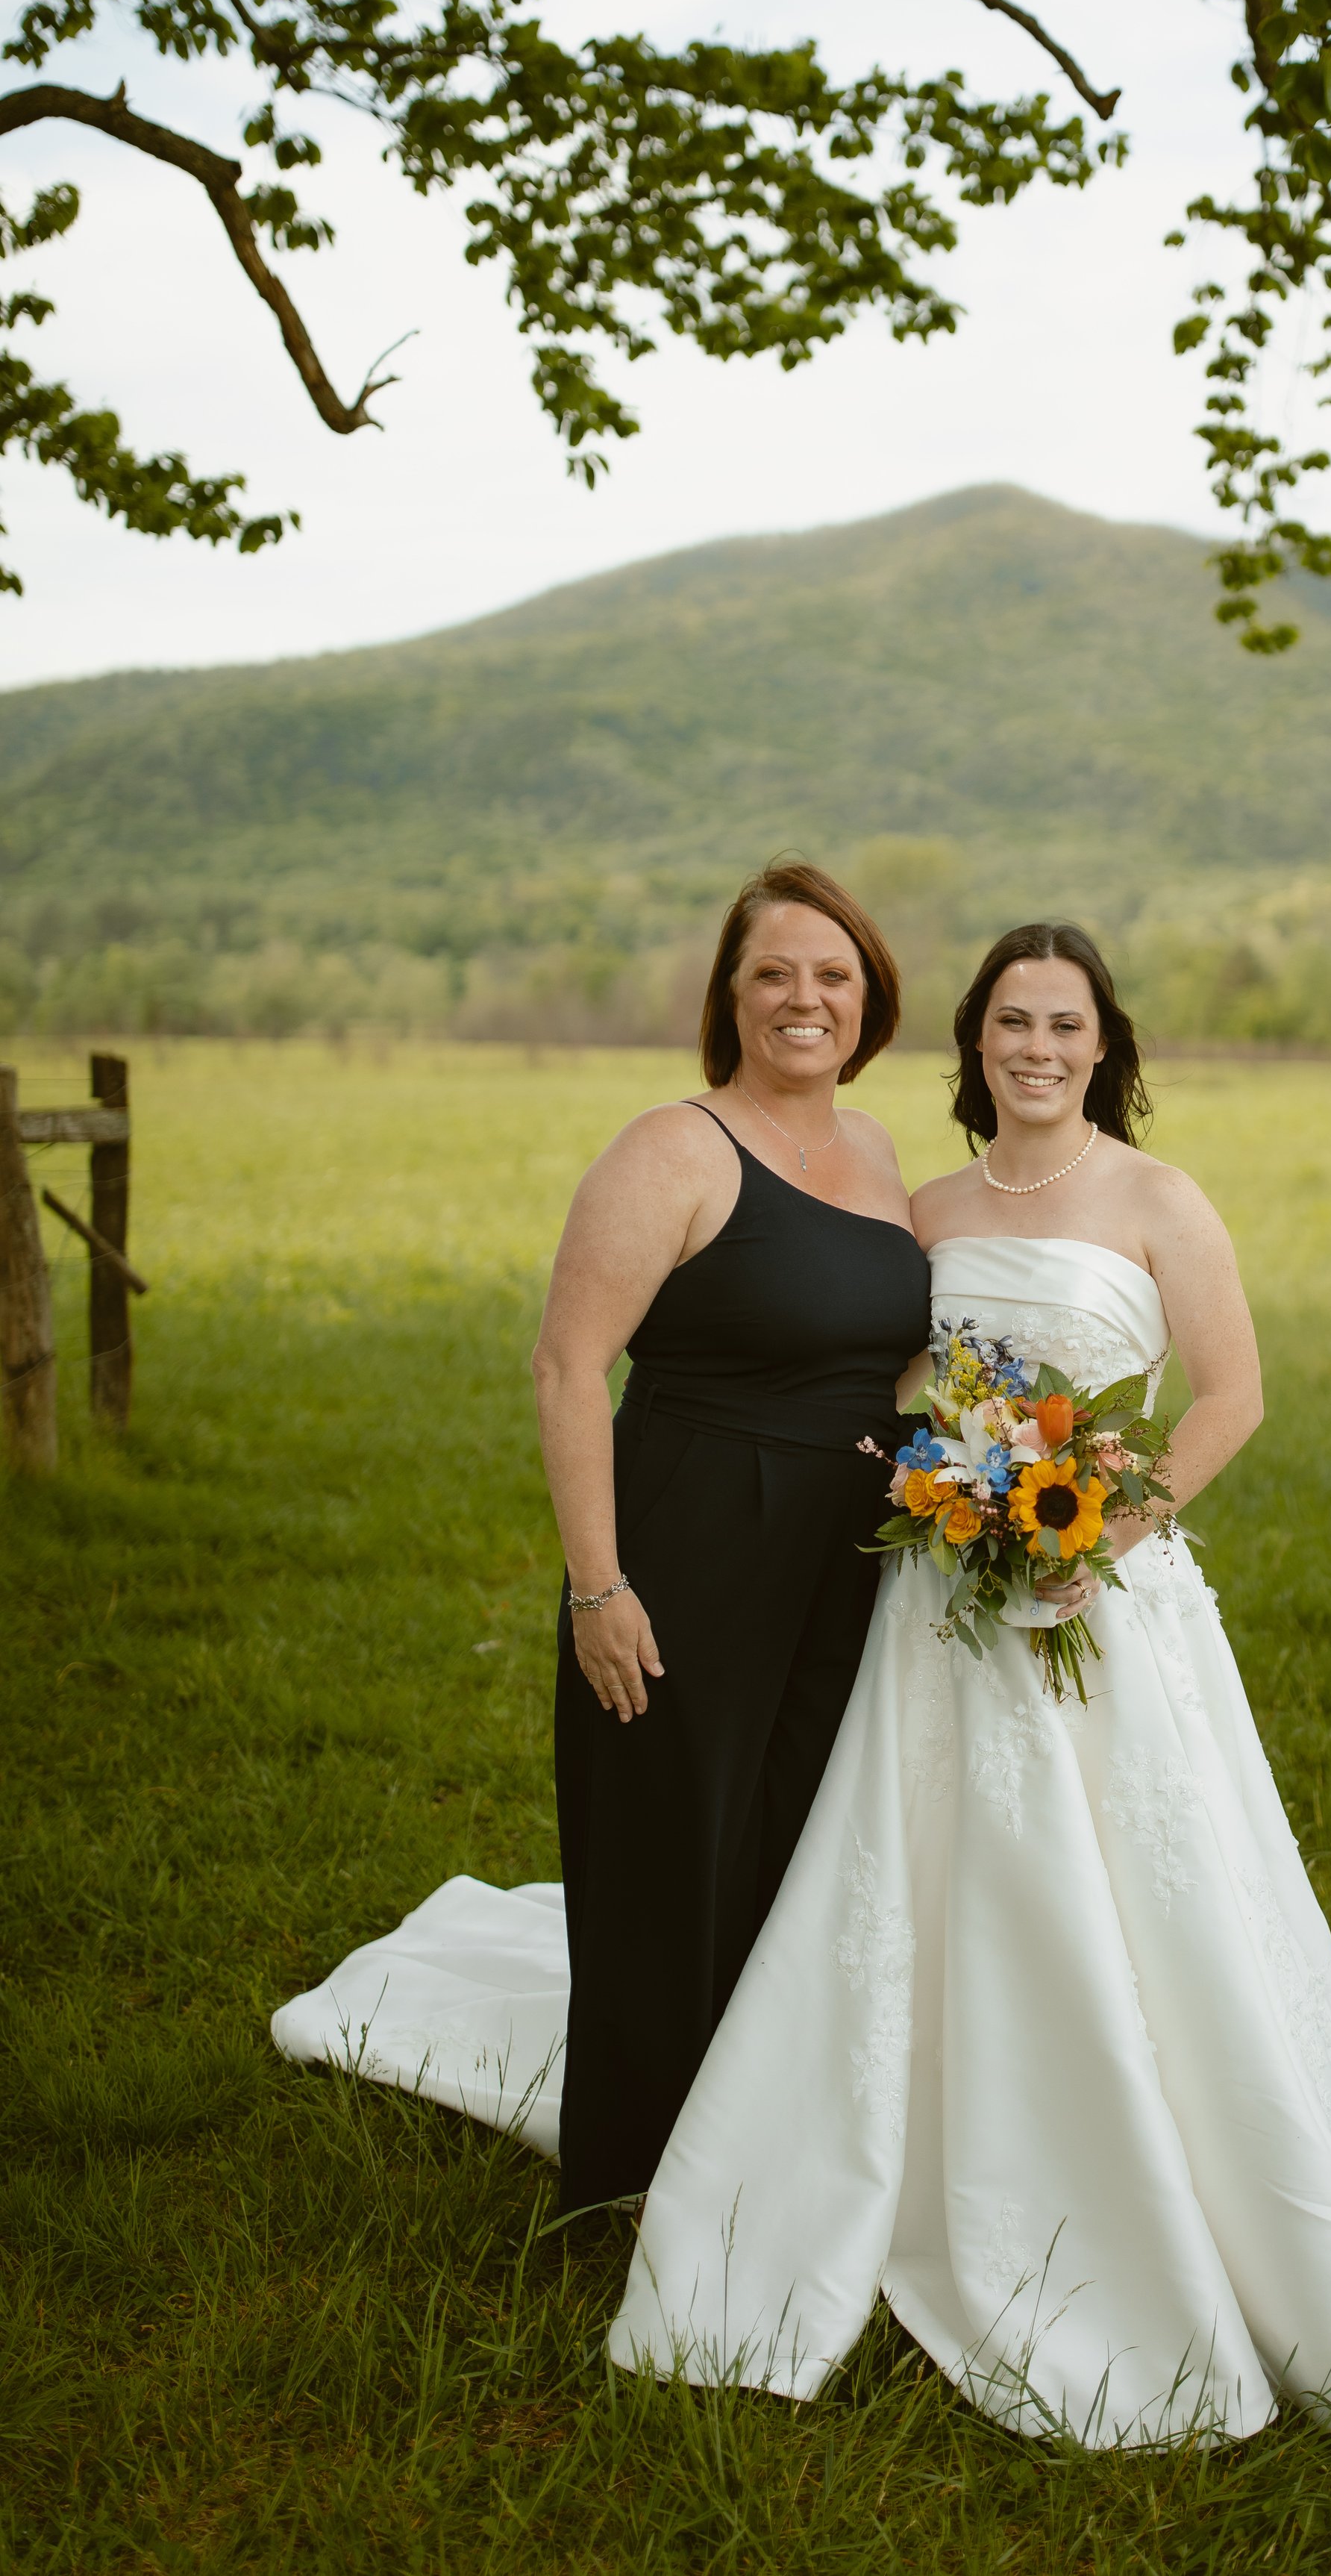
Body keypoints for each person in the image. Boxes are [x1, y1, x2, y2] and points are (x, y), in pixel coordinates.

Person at [608, 922, 1331, 2444]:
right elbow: (903, 1382)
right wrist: (919, 1478)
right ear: (973, 1045)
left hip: (1101, 1588)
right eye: (1009, 1025)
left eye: (1064, 1026)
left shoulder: (1160, 1199)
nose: (1035, 1049)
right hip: (939, 1600)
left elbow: (1231, 1393)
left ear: (1103, 1047)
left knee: (1135, 1894)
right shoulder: (927, 1206)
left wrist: (1103, 1529)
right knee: (929, 1870)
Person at [272, 863, 930, 2212]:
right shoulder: (673, 1149)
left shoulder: (874, 1154)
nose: (805, 999)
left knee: (796, 1835)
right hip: (691, 1538)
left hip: (849, 1563)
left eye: (834, 976)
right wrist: (598, 1586)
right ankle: (634, 2173)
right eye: (774, 973)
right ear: (729, 995)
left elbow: (890, 1356)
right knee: (668, 1844)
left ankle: (763, 2130)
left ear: (870, 1002)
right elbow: (569, 1367)